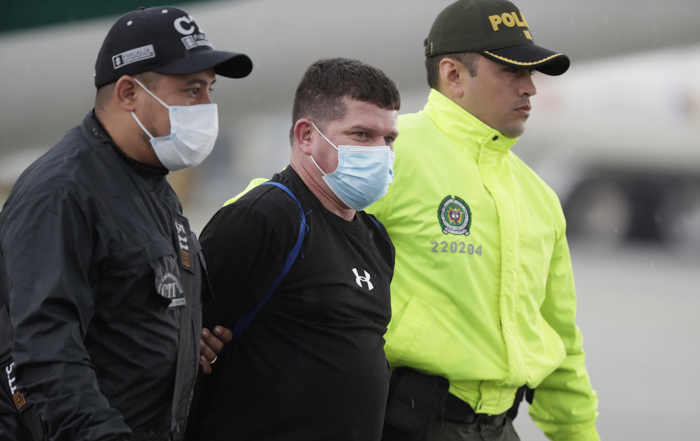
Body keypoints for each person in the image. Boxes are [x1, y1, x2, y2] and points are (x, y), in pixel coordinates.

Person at [0, 6, 252, 441]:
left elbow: (131, 307)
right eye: (192, 89)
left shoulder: (148, 180)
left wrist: (188, 340)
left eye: (210, 89)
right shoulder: (62, 193)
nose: (207, 107)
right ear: (129, 93)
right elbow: (45, 354)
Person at [365, 1, 600, 440]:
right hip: (403, 424)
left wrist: (579, 435)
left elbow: (560, 341)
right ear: (453, 75)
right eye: (512, 71)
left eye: (532, 73)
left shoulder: (539, 197)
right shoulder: (389, 153)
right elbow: (274, 216)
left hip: (500, 429)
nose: (530, 87)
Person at [184, 58, 400, 441]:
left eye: (389, 139)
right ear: (306, 136)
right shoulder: (265, 217)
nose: (381, 151)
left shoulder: (375, 237)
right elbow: (183, 339)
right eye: (362, 135)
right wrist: (191, 342)